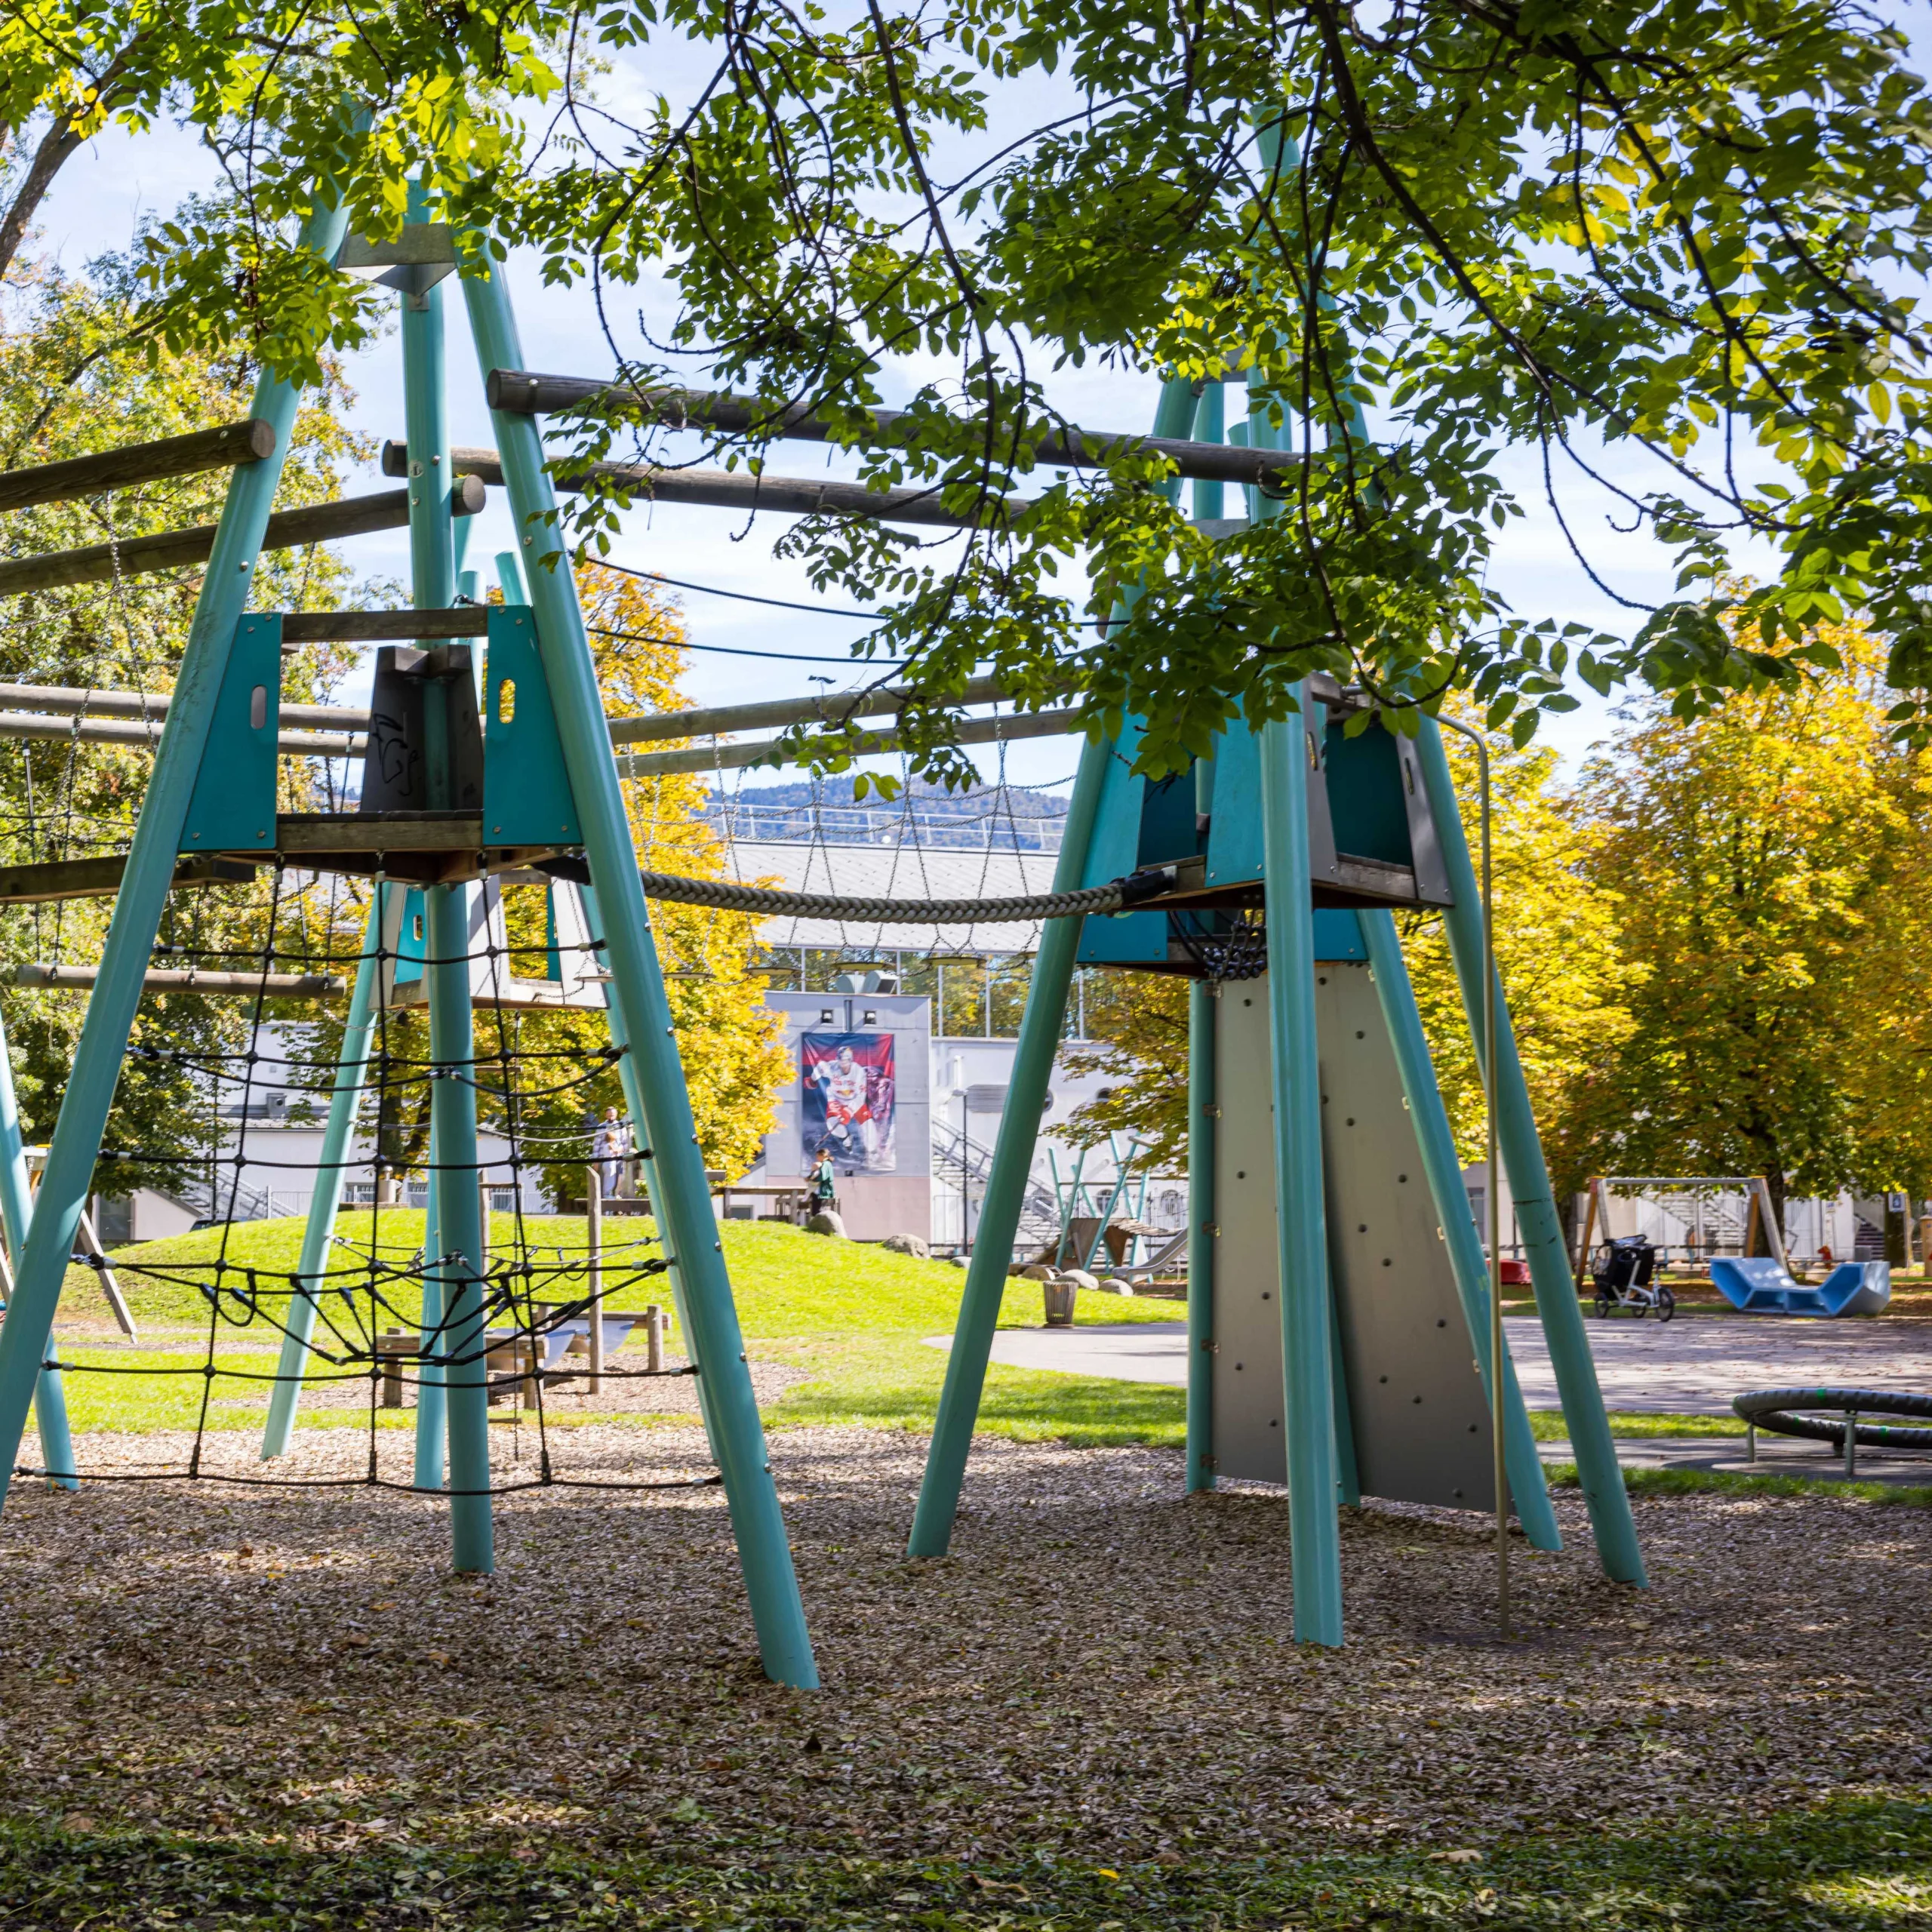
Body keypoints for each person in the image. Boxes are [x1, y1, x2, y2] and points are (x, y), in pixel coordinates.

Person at [590, 1106, 629, 1200]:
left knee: (619, 1178)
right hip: (605, 1157)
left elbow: (625, 1143)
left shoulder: (620, 1126)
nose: (611, 1117)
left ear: (616, 1115)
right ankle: (605, 1197)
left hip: (618, 1157)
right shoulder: (601, 1127)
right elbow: (597, 1145)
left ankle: (616, 1195)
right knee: (606, 1178)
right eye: (609, 1115)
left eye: (612, 1115)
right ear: (606, 1115)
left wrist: (621, 1151)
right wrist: (596, 1160)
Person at [811, 1149, 838, 1215]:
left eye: (818, 1156)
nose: (817, 1158)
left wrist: (813, 1180)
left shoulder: (824, 1164)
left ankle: (819, 1224)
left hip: (822, 1191)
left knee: (817, 1212)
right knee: (820, 1210)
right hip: (826, 1190)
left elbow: (823, 1176)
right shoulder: (828, 1164)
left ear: (823, 1155)